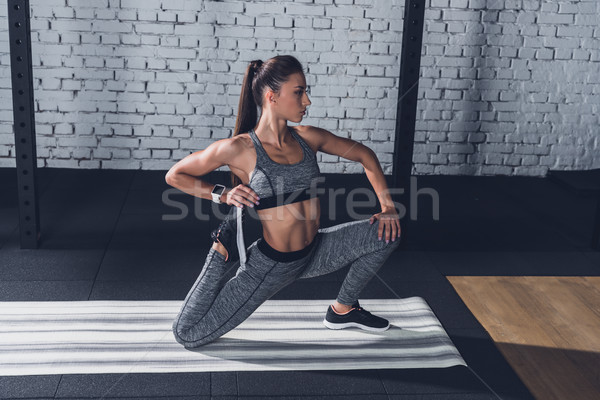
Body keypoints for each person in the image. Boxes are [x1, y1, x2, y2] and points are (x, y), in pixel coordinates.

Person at [166, 55, 401, 348]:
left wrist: (388, 207)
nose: (307, 101)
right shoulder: (239, 149)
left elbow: (364, 154)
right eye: (299, 92)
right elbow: (176, 175)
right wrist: (223, 194)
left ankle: (343, 309)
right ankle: (220, 252)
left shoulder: (307, 137)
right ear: (271, 96)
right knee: (187, 334)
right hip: (271, 266)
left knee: (386, 234)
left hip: (315, 251)